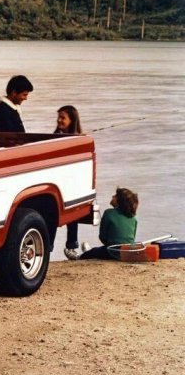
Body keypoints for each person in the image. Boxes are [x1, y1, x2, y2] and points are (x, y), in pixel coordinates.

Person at [76, 187, 139, 260]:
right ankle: (89, 253)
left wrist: (109, 245)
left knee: (94, 251)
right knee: (97, 251)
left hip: (112, 252)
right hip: (128, 252)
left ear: (120, 201)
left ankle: (78, 257)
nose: (112, 196)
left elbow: (102, 237)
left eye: (115, 196)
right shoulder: (134, 219)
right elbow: (131, 238)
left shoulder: (108, 213)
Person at [55, 105, 84, 259]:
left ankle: (71, 246)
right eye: (58, 117)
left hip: (72, 184)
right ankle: (49, 246)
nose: (59, 121)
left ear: (72, 121)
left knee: (73, 217)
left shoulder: (77, 139)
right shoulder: (53, 137)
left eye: (63, 118)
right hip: (57, 183)